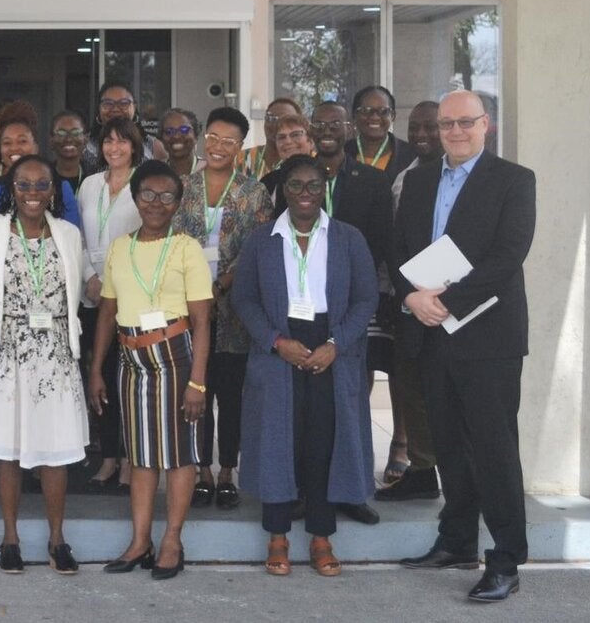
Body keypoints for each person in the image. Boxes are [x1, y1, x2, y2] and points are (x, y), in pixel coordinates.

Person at [394, 91, 535, 603]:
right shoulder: (420, 178)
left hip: (487, 338)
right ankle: (456, 542)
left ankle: (506, 559)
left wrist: (447, 301)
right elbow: (399, 246)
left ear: (485, 125)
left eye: (465, 122)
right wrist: (413, 296)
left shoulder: (514, 181)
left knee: (493, 449)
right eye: (446, 123)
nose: (454, 131)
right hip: (430, 332)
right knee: (449, 443)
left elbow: (508, 255)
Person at [232, 155, 378, 578]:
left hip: (332, 348)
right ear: (283, 191)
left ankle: (320, 537)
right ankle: (277, 536)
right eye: (295, 186)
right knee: (281, 440)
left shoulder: (349, 239)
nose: (305, 194)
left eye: (313, 185)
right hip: (281, 348)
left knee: (323, 441)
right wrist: (277, 342)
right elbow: (244, 299)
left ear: (324, 189)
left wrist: (336, 344)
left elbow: (366, 298)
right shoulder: (262, 240)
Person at [0, 155, 89, 575]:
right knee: (8, 451)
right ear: (11, 189)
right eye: (24, 185)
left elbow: (85, 287)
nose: (33, 194)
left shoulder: (68, 234)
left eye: (41, 185)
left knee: (56, 452)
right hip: (4, 352)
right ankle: (10, 538)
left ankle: (57, 538)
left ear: (54, 190)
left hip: (54, 355)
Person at [88, 160, 213, 580]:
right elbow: (107, 312)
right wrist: (96, 370)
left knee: (178, 456)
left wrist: (197, 381)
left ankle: (172, 540)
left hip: (175, 356)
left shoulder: (186, 248)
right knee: (140, 456)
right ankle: (140, 541)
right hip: (130, 360)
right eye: (148, 195)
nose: (156, 204)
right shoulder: (120, 248)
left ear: (178, 203)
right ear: (135, 198)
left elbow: (202, 321)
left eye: (166, 196)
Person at [170, 107, 272, 510]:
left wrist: (220, 286)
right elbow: (171, 244)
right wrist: (197, 292)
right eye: (212, 137)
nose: (218, 146)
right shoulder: (182, 187)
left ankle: (227, 471)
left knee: (230, 398)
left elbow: (256, 249)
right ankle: (201, 472)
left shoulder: (254, 192)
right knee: (195, 392)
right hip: (185, 308)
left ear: (241, 146)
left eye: (228, 140)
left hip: (233, 311)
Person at [300, 99, 394, 527]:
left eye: (335, 124)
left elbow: (381, 247)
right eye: (319, 123)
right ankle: (308, 491)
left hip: (354, 304)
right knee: (307, 410)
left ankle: (353, 492)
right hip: (302, 309)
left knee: (352, 401)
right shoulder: (294, 179)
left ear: (348, 128)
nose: (327, 130)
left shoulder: (372, 182)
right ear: (309, 127)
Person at [375, 100, 443, 502]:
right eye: (415, 127)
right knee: (412, 384)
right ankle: (421, 469)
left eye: (431, 127)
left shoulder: (471, 179)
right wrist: (396, 292)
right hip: (411, 300)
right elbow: (393, 243)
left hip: (460, 302)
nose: (422, 135)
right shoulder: (405, 180)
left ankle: (458, 474)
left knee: (449, 391)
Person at [78, 116, 147, 490]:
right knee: (99, 373)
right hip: (92, 290)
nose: (114, 148)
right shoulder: (89, 185)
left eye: (122, 141)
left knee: (131, 380)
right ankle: (107, 457)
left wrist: (116, 283)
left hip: (131, 292)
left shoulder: (144, 181)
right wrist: (89, 276)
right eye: (108, 141)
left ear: (134, 146)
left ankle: (130, 460)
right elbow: (78, 237)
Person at [0, 101, 81, 247]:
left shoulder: (59, 188)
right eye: (7, 143)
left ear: (35, 146)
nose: (14, 148)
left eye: (22, 141)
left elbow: (73, 241)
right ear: (0, 150)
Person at [346, 85, 415, 184]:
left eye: (383, 111)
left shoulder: (411, 157)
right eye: (366, 110)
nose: (375, 117)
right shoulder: (343, 152)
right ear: (354, 115)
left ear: (393, 116)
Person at [90, 82, 166, 163]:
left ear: (134, 107)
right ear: (99, 107)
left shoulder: (153, 146)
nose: (116, 109)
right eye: (108, 103)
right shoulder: (84, 145)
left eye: (124, 103)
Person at [237, 97, 303, 180]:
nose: (276, 124)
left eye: (285, 120)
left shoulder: (310, 162)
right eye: (271, 118)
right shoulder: (241, 159)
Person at [48, 110, 93, 195]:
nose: (68, 139)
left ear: (86, 139)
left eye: (75, 133)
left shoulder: (96, 178)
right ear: (51, 140)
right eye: (61, 133)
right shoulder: (42, 177)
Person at [160, 107, 202, 178]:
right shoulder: (154, 172)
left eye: (184, 130)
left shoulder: (210, 171)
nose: (176, 136)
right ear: (161, 138)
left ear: (196, 135)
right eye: (169, 131)